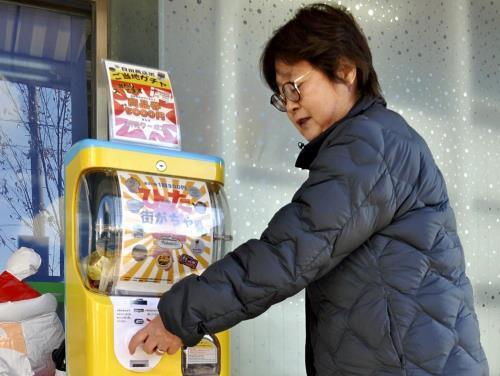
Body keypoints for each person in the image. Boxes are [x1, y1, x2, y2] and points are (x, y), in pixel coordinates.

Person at [129, 3, 489, 375]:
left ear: (346, 70)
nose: (290, 106)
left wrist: (180, 316)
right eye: (281, 96)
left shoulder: (369, 145)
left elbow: (289, 254)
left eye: (295, 87)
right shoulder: (375, 140)